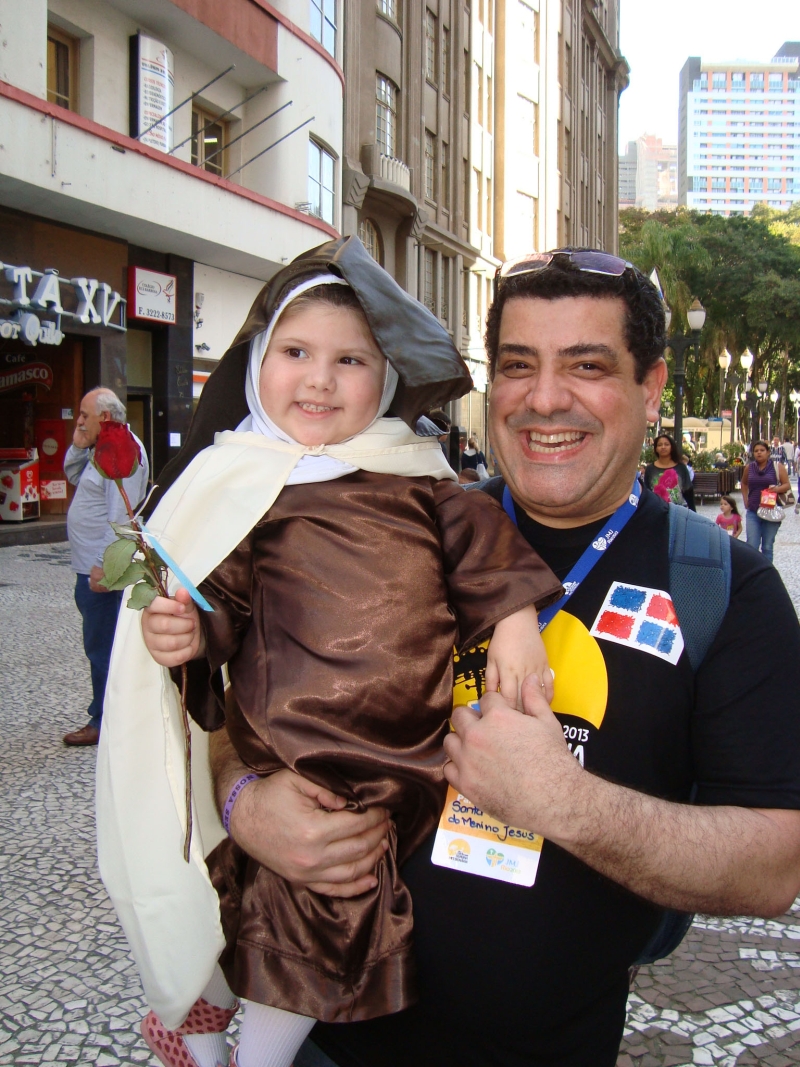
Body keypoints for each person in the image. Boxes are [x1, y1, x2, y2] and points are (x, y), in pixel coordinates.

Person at [208, 247, 800, 1067]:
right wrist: (243, 799)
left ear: (651, 386)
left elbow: (774, 863)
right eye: (519, 365)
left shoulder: (725, 590)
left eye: (587, 365)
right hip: (326, 1038)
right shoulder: (392, 517)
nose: (544, 398)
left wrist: (562, 800)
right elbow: (238, 696)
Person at [98, 238, 562, 1067]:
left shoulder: (419, 478)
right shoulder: (236, 481)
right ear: (257, 362)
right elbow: (220, 599)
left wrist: (517, 622)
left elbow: (482, 547)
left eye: (351, 359)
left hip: (402, 754)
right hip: (298, 745)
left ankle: (213, 1026)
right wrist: (186, 633)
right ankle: (235, 1046)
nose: (319, 378)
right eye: (296, 352)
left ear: (383, 379)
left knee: (305, 896)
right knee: (299, 892)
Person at [62, 388, 148, 746]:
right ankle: (108, 717)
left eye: (84, 415)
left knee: (105, 649)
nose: (79, 420)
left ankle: (105, 722)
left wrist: (104, 568)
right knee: (100, 646)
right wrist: (79, 442)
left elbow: (121, 516)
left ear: (106, 417)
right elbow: (71, 475)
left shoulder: (122, 450)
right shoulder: (99, 447)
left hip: (102, 573)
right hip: (89, 569)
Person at [740, 440, 791, 562]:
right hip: (753, 510)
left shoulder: (777, 467)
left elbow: (787, 485)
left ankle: (767, 576)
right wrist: (745, 499)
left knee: (767, 546)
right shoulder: (749, 468)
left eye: (762, 450)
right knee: (752, 545)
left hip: (771, 511)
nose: (759, 453)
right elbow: (744, 483)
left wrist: (776, 489)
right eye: (756, 451)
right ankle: (753, 574)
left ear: (768, 452)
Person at [642, 434, 695, 510]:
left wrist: (693, 512)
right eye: (660, 445)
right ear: (656, 448)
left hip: (679, 510)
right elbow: (647, 493)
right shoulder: (650, 469)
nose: (663, 447)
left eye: (666, 444)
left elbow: (688, 490)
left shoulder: (681, 467)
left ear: (672, 447)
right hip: (656, 511)